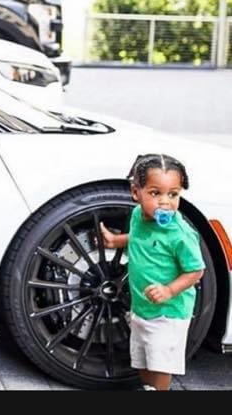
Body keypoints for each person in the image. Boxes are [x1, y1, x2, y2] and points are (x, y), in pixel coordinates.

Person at [100, 153, 205, 391]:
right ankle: (148, 388)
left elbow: (196, 270)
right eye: (155, 193)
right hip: (142, 307)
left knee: (160, 364)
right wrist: (116, 241)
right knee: (143, 358)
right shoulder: (138, 216)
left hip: (169, 312)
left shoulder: (180, 234)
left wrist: (169, 290)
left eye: (173, 194)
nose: (165, 202)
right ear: (136, 192)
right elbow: (139, 239)